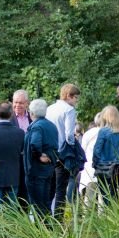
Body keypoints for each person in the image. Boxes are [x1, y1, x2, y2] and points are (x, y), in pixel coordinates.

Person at [46, 84, 82, 213]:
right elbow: (69, 135)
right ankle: (58, 221)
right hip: (62, 153)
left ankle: (47, 217)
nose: (76, 101)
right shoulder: (69, 110)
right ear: (69, 96)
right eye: (76, 98)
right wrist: (73, 143)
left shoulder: (49, 108)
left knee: (50, 188)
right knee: (61, 189)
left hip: (49, 153)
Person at [24, 99, 59, 216]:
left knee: (37, 203)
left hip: (36, 170)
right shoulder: (52, 126)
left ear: (31, 113)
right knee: (45, 201)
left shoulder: (36, 127)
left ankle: (39, 230)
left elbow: (34, 143)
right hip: (49, 169)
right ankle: (48, 228)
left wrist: (39, 155)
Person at [92, 105, 119, 203]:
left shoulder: (103, 131)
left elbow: (97, 150)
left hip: (105, 167)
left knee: (107, 197)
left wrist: (95, 164)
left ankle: (111, 217)